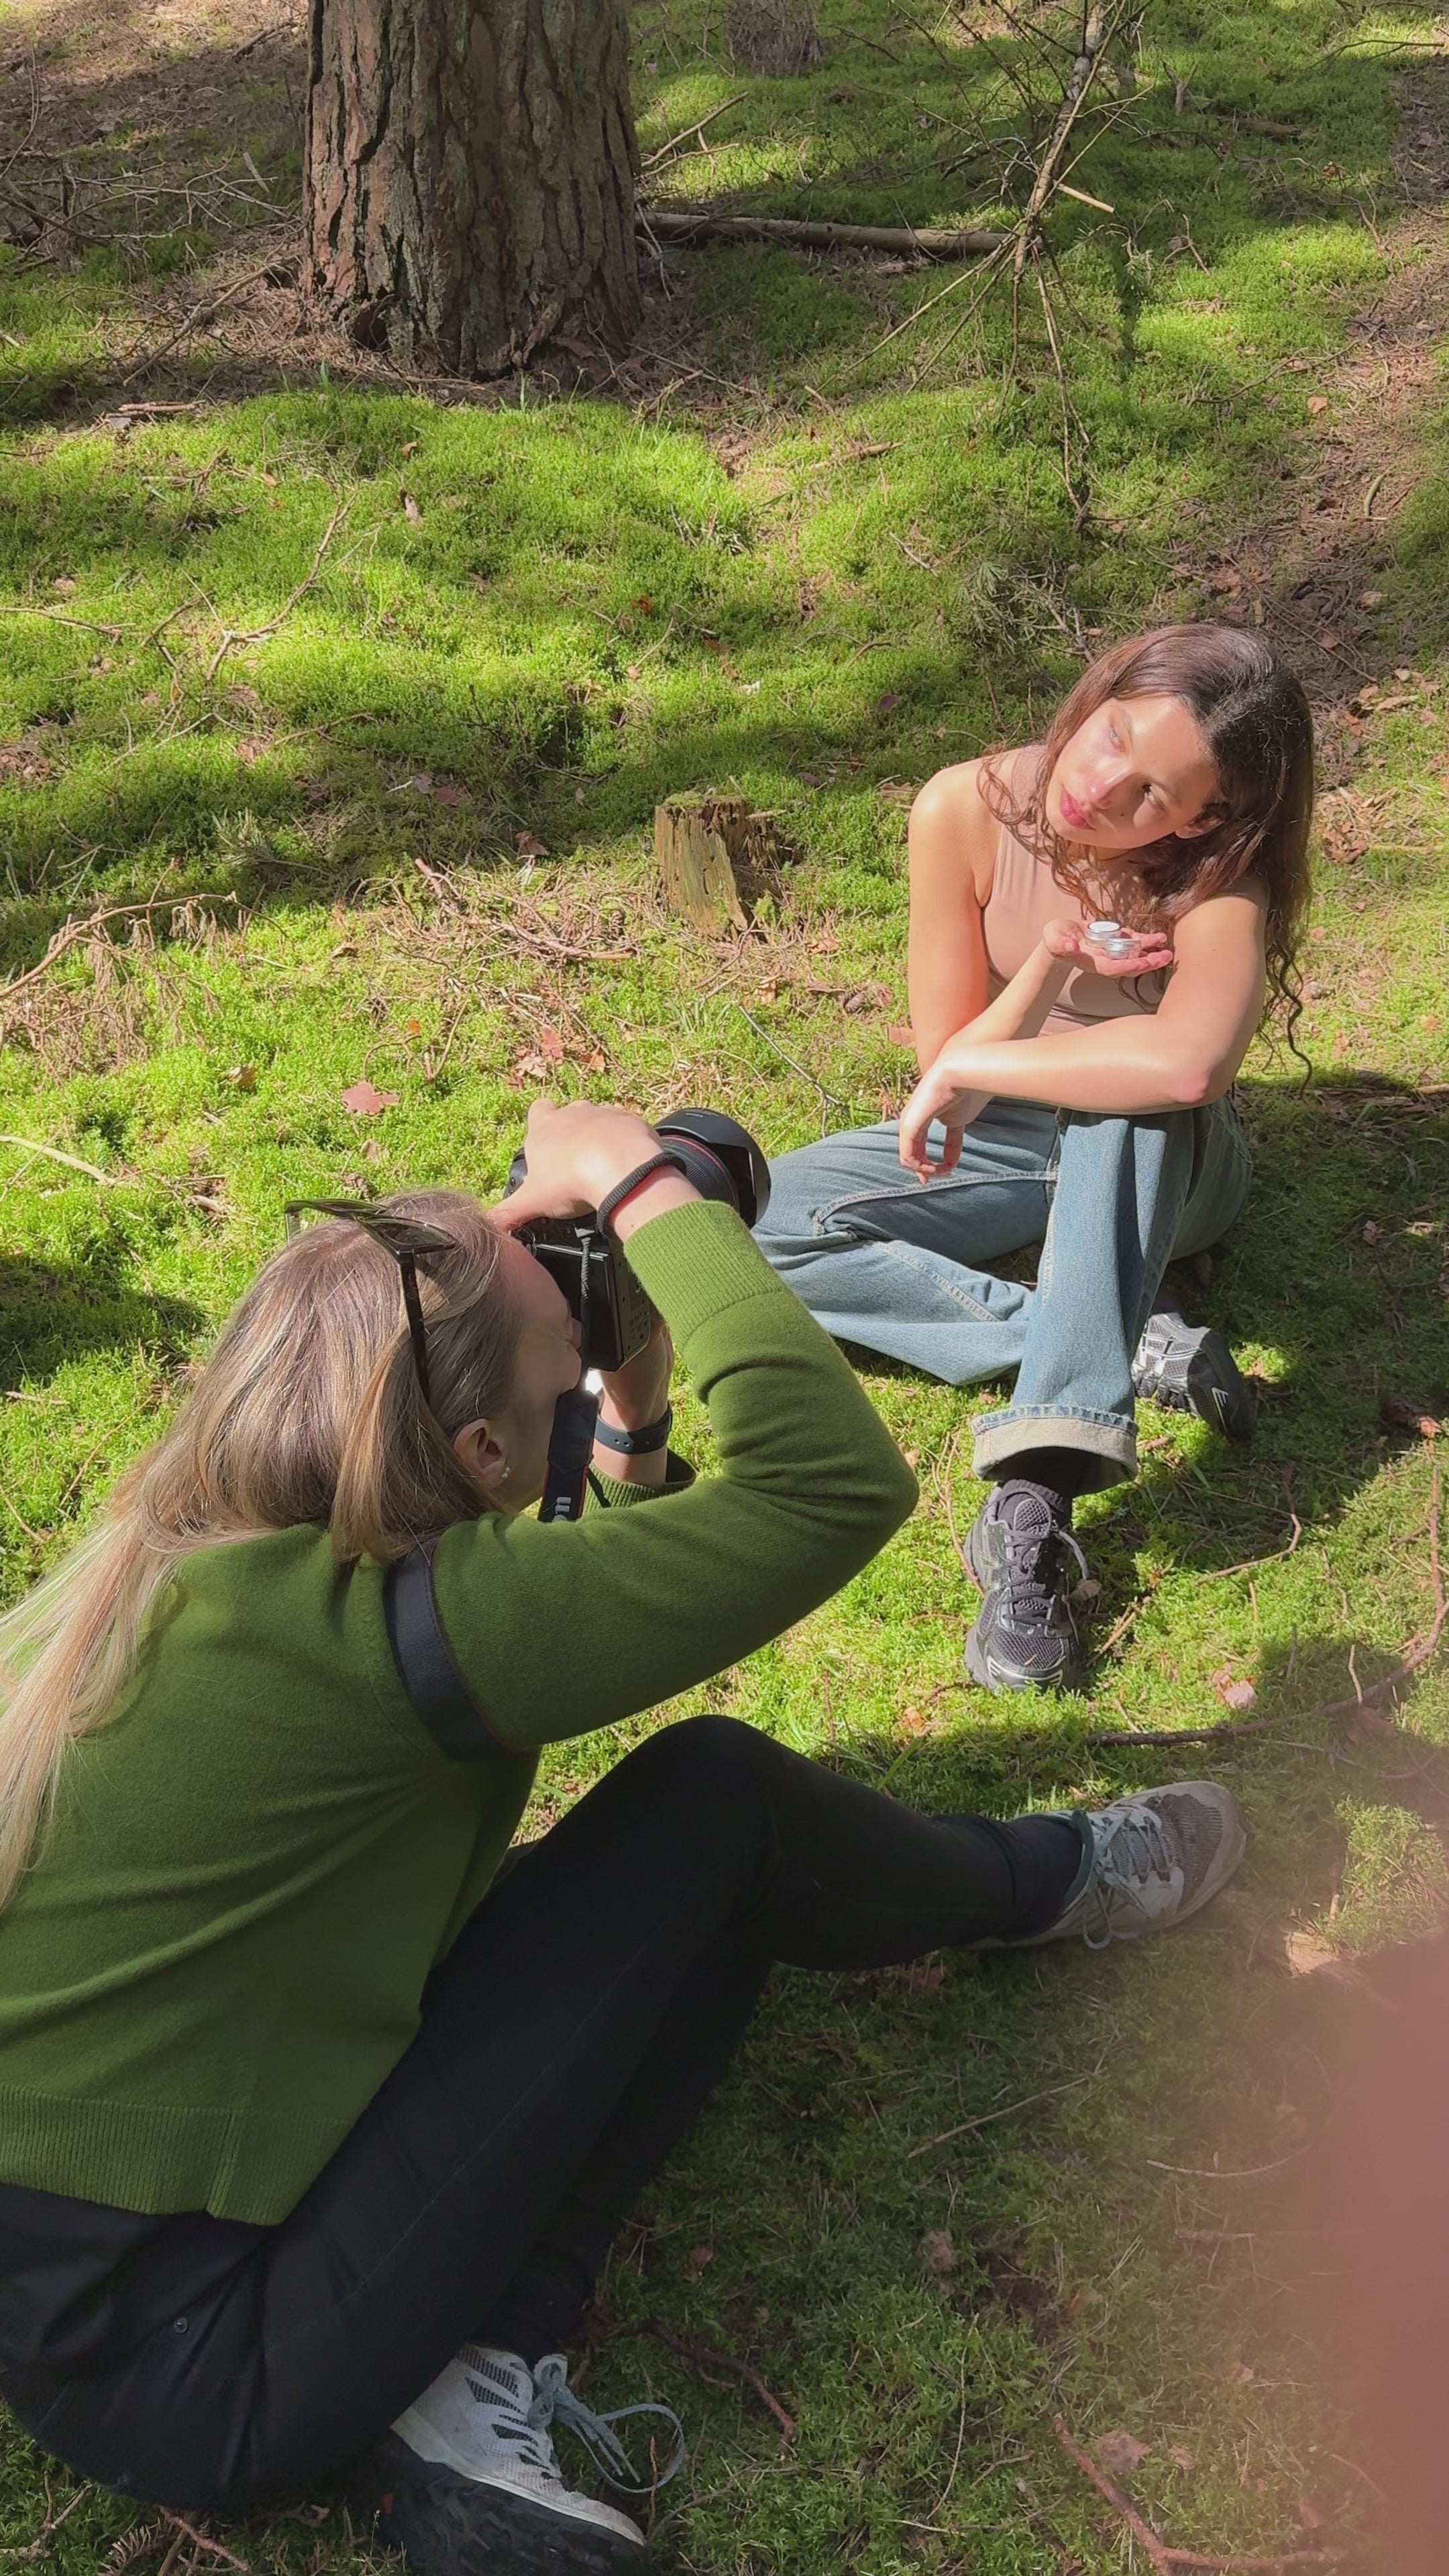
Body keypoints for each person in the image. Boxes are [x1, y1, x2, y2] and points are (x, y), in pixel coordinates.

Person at [0, 1102, 1246, 2576]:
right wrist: (651, 1193)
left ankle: (447, 2375)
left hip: (91, 2281)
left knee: (668, 1862)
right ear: (473, 1445)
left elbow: (560, 1592)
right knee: (715, 1809)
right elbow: (830, 1487)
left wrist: (625, 1395)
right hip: (204, 2360)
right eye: (552, 1376)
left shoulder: (224, 1561)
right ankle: (1051, 1887)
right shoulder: (400, 1632)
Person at [757, 625, 1313, 1694]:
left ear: (1205, 821)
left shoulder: (1217, 892)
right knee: (759, 1224)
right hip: (1008, 1137)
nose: (1100, 788)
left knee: (1132, 1101)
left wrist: (1043, 1054)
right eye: (1110, 737)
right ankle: (1102, 1333)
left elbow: (1190, 1067)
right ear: (1100, 691)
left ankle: (1036, 1490)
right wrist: (1053, 970)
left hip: (1174, 1167)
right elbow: (951, 1057)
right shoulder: (961, 808)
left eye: (1153, 795)